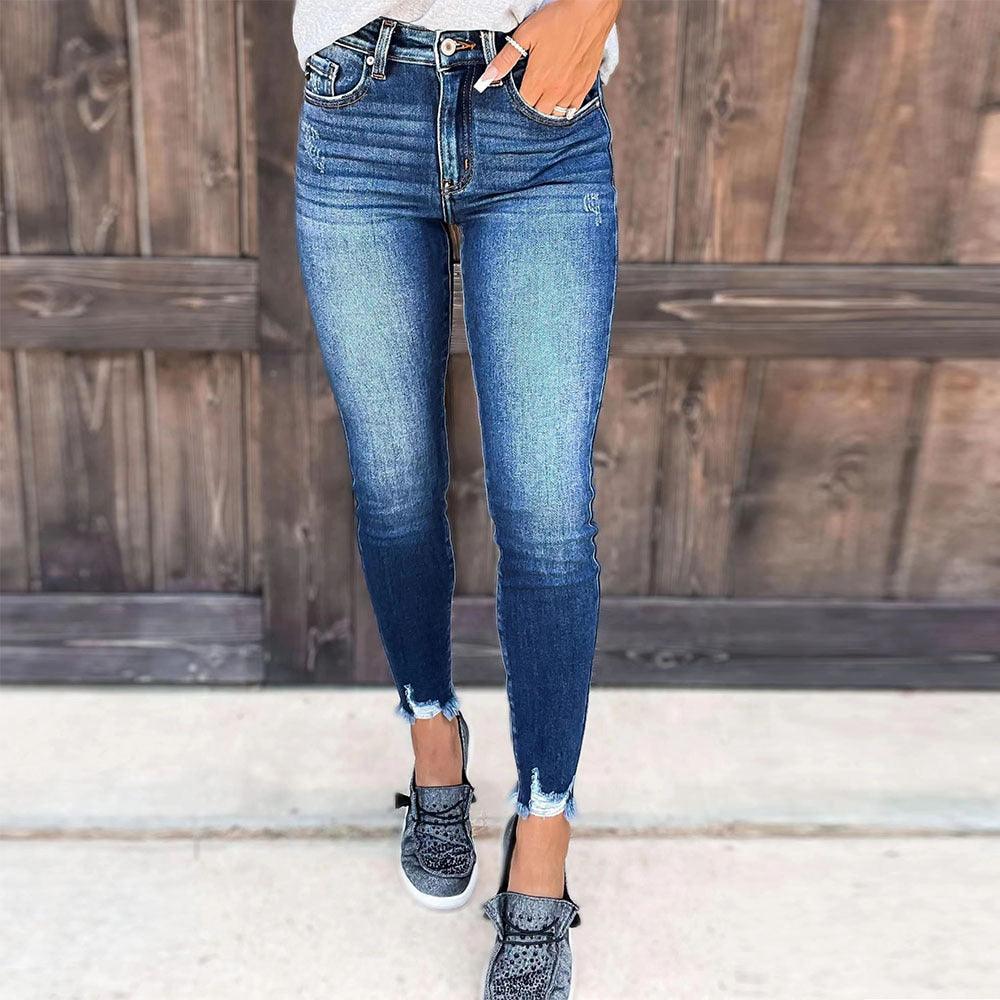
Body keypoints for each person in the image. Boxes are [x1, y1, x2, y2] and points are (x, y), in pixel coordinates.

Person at [292, 2, 621, 995]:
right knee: (394, 486)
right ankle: (435, 746)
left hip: (542, 109)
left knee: (549, 519)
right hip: (360, 95)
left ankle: (543, 839)